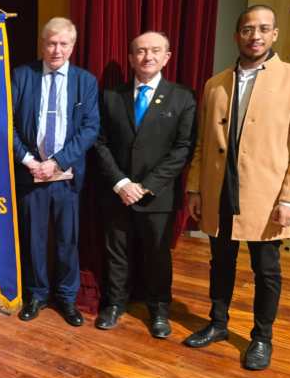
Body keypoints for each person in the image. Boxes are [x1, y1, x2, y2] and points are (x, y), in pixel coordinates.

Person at [185, 4, 290, 370]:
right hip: (219, 188)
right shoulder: (215, 83)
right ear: (237, 35)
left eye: (263, 29)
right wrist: (195, 188)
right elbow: (201, 142)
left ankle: (262, 337)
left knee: (266, 268)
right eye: (247, 29)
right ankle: (218, 323)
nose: (255, 36)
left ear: (274, 34)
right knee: (220, 261)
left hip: (267, 193)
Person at [94, 31, 197, 337]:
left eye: (155, 51)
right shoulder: (111, 96)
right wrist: (122, 182)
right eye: (140, 51)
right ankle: (114, 304)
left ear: (167, 57)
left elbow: (183, 148)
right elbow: (100, 144)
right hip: (117, 193)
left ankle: (159, 310)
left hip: (158, 196)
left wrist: (147, 185)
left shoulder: (183, 97)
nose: (147, 56)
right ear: (130, 58)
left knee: (157, 255)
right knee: (116, 252)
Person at [12, 17, 100, 325]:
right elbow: (6, 124)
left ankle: (66, 297)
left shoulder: (85, 82)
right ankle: (36, 294)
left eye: (63, 43)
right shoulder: (22, 76)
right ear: (42, 43)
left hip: (67, 177)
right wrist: (27, 159)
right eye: (51, 43)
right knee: (33, 240)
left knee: (67, 240)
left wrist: (59, 161)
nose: (56, 49)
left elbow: (90, 129)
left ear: (73, 46)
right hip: (30, 173)